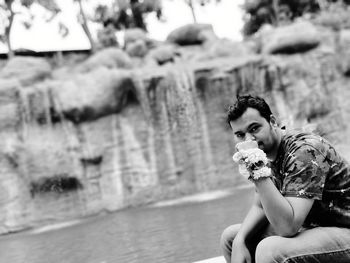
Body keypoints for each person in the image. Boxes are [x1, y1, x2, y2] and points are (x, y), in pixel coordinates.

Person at [220, 94, 350, 263]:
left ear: (272, 122)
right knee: (231, 238)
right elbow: (260, 205)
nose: (249, 140)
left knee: (269, 250)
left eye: (254, 129)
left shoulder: (304, 151)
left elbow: (287, 228)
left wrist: (257, 169)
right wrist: (240, 240)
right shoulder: (268, 153)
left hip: (343, 229)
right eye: (240, 135)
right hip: (315, 228)